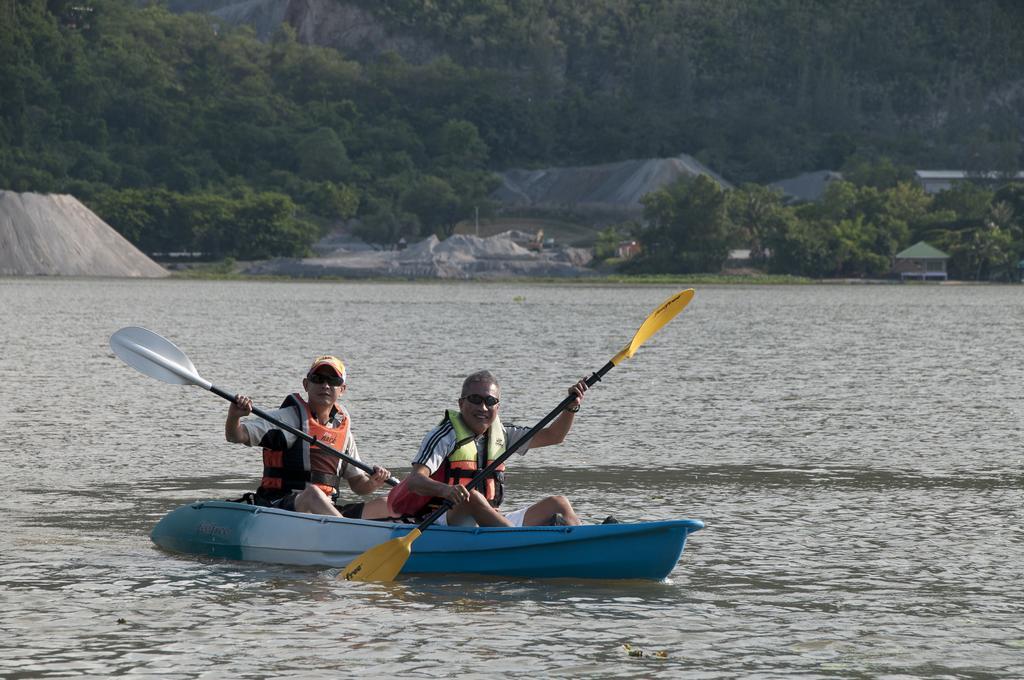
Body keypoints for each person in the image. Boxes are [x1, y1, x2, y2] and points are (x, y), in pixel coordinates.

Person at [394, 370, 590, 527]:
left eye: (490, 401)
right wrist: (447, 490)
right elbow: (415, 480)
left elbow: (554, 436)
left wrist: (570, 408)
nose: (483, 408)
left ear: (498, 406)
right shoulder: (444, 435)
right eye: (475, 400)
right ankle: (518, 543)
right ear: (461, 403)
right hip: (442, 519)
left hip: (491, 520)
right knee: (472, 497)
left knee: (559, 503)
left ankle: (581, 544)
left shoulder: (504, 435)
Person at [225, 355, 392, 519]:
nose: (325, 385)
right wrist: (234, 416)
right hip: (282, 508)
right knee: (313, 494)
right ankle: (347, 534)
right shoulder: (287, 419)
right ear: (306, 384)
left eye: (333, 381)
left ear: (342, 389)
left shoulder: (342, 430)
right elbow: (235, 435)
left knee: (388, 504)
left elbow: (358, 485)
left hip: (327, 511)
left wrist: (373, 482)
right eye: (318, 379)